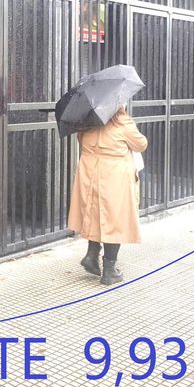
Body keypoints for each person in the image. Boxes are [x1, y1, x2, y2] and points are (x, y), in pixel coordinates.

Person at [67, 105, 147, 285]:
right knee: (114, 220)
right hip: (114, 176)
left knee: (94, 214)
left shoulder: (87, 123)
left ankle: (91, 255)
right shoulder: (122, 123)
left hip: (90, 174)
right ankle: (109, 270)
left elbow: (81, 140)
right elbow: (141, 144)